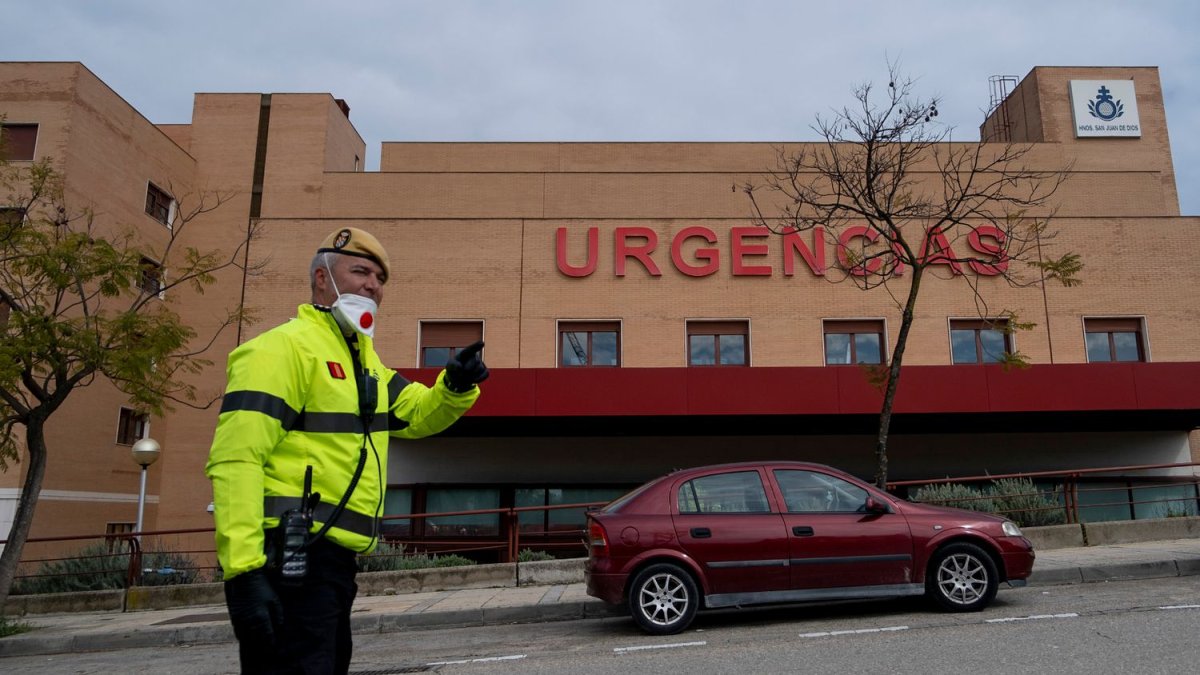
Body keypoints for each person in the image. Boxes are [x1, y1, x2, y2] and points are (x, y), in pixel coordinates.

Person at [205, 227, 488, 674]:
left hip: (332, 565)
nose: (373, 285)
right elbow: (236, 458)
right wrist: (243, 573)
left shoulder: (366, 364)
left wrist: (453, 384)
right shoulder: (280, 349)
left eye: (379, 278)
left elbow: (415, 414)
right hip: (288, 557)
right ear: (322, 279)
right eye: (360, 271)